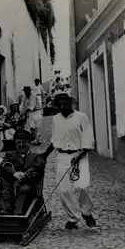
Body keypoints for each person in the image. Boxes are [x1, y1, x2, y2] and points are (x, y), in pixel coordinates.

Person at [42, 92, 97, 230]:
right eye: (59, 103)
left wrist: (79, 156)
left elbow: (88, 137)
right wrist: (44, 155)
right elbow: (54, 141)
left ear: (70, 103)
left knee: (83, 185)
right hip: (62, 157)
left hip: (80, 155)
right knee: (64, 190)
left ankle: (86, 213)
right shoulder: (56, 119)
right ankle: (73, 217)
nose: (62, 106)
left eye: (64, 103)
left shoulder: (81, 117)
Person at [0, 130, 46, 215]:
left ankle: (18, 214)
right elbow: (4, 166)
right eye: (18, 143)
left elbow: (37, 169)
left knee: (24, 189)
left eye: (24, 142)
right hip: (12, 185)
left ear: (29, 143)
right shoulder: (10, 154)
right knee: (6, 190)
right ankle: (6, 211)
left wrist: (24, 174)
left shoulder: (36, 157)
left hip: (29, 187)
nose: (21, 145)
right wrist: (14, 173)